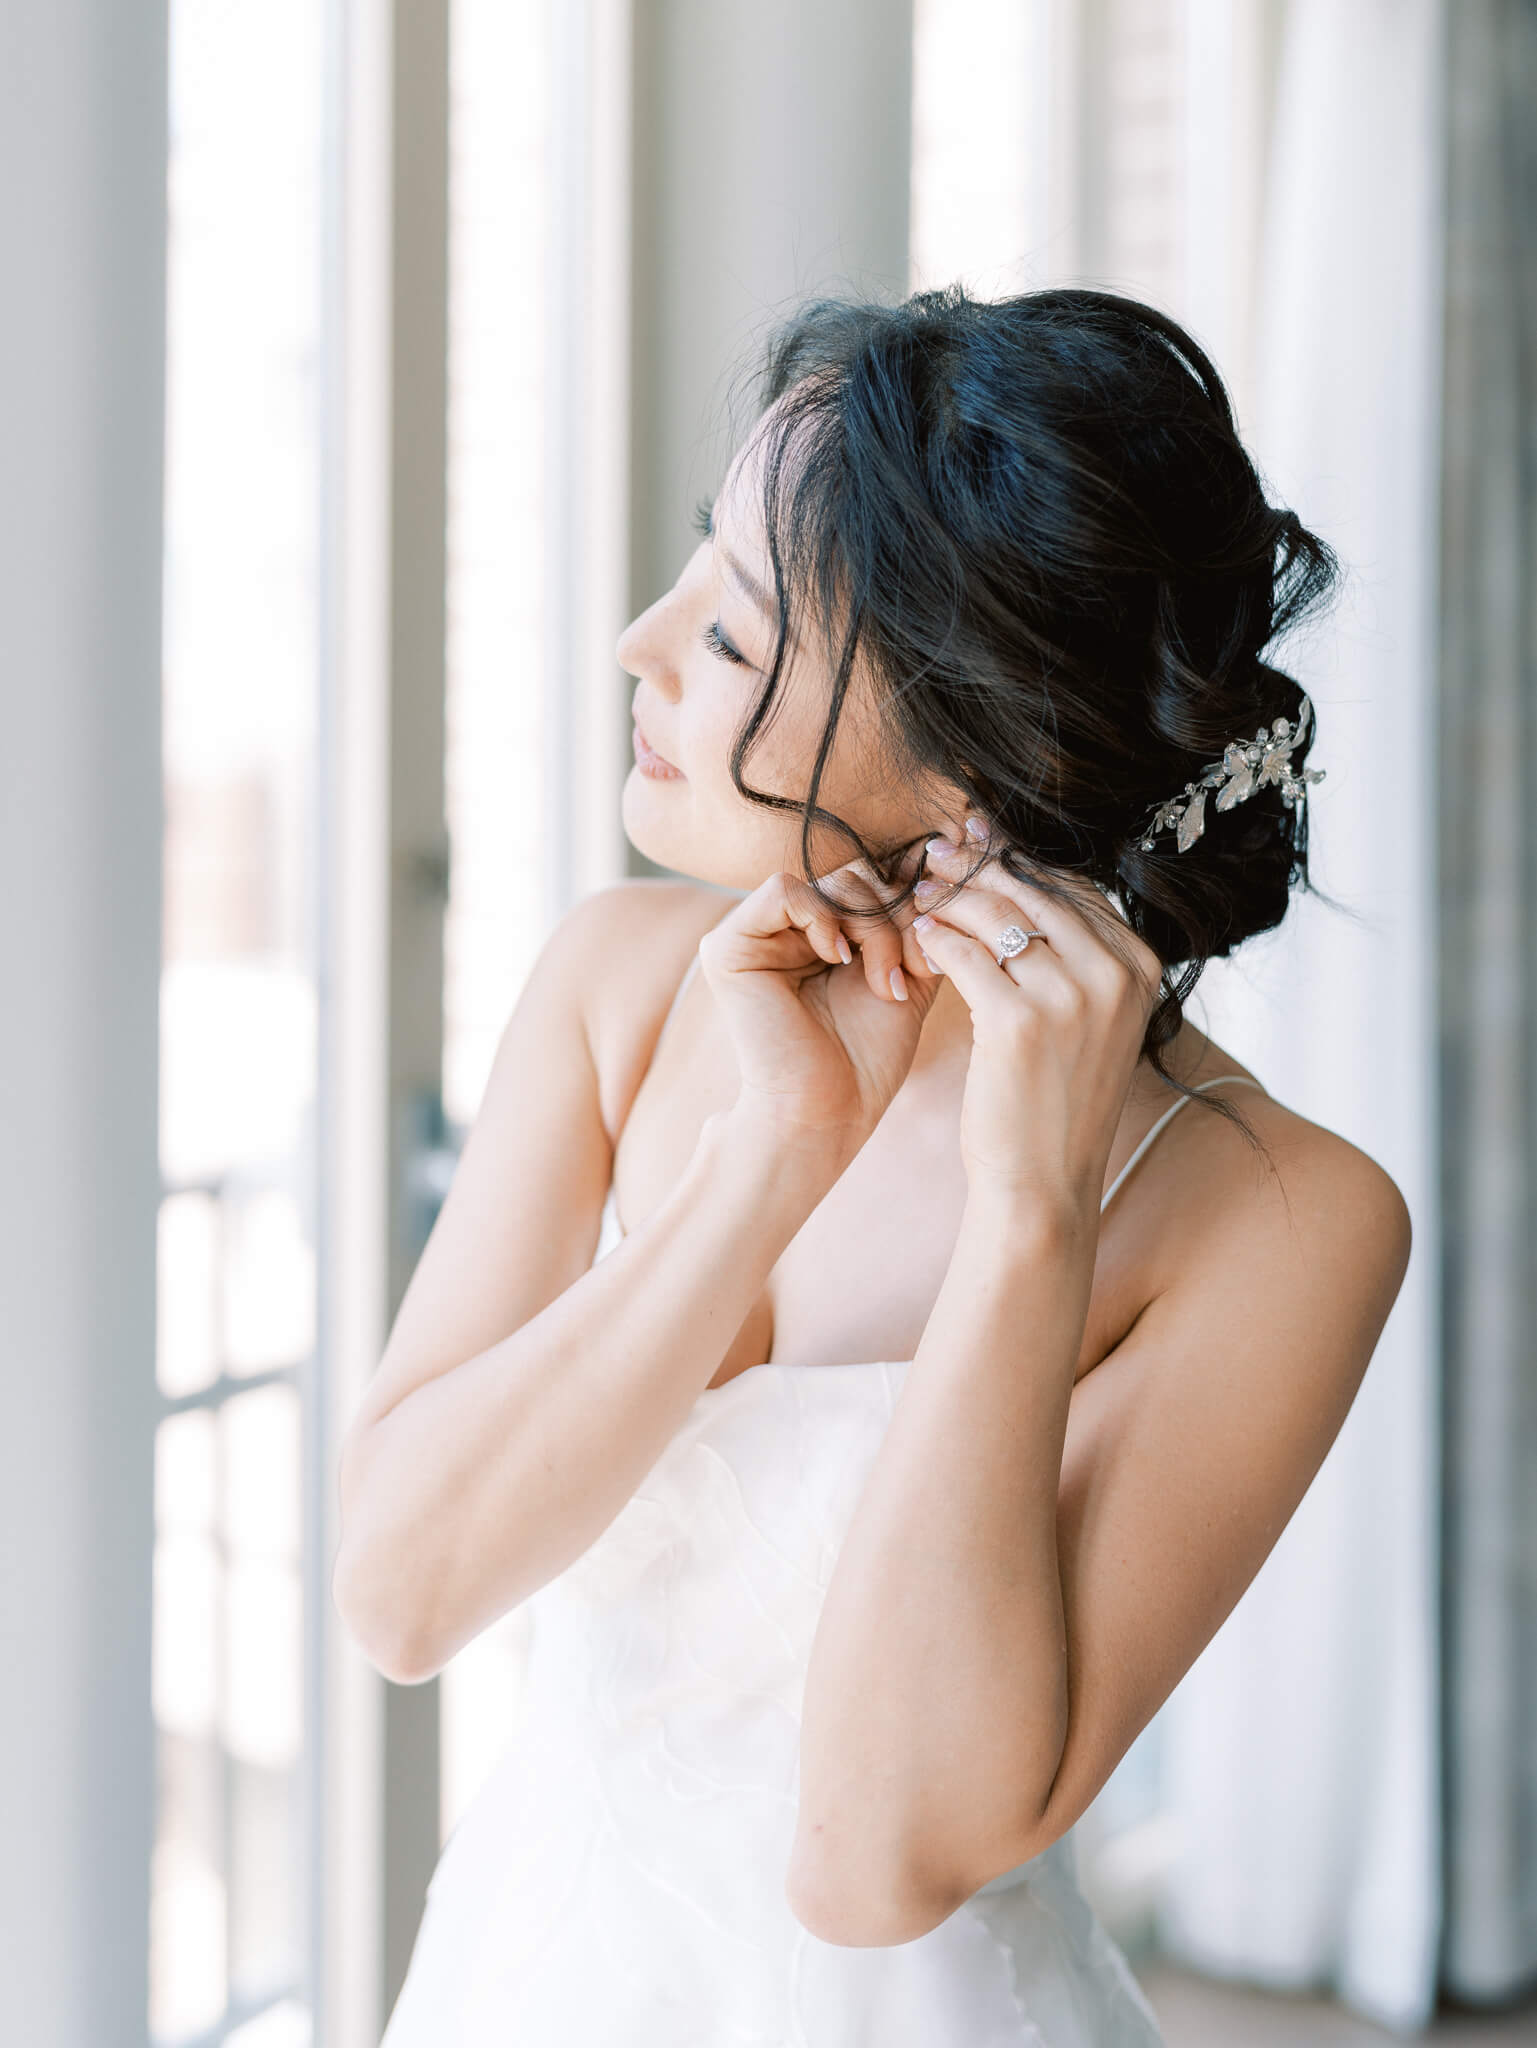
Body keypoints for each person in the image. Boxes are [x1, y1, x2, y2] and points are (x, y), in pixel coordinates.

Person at [336, 285, 1412, 2045]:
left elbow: (875, 1861)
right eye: (696, 571)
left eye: (738, 643)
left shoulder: (1285, 1218)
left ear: (985, 766)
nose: (637, 642)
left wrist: (1026, 1214)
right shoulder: (620, 985)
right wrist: (765, 1159)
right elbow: (401, 1594)